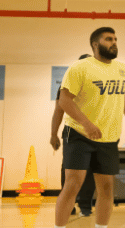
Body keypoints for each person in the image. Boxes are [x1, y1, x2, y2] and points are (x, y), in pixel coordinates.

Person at [54, 27, 125, 228]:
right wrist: (86, 124)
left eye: (115, 39)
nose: (114, 43)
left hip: (108, 138)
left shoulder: (123, 69)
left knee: (106, 187)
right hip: (78, 134)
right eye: (109, 39)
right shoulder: (80, 67)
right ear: (95, 44)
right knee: (73, 184)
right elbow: (64, 101)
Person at [50, 53, 95, 217]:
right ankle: (69, 205)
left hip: (93, 133)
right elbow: (58, 110)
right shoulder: (66, 85)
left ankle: (85, 205)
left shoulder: (97, 85)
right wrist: (53, 134)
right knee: (69, 169)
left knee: (91, 168)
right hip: (72, 132)